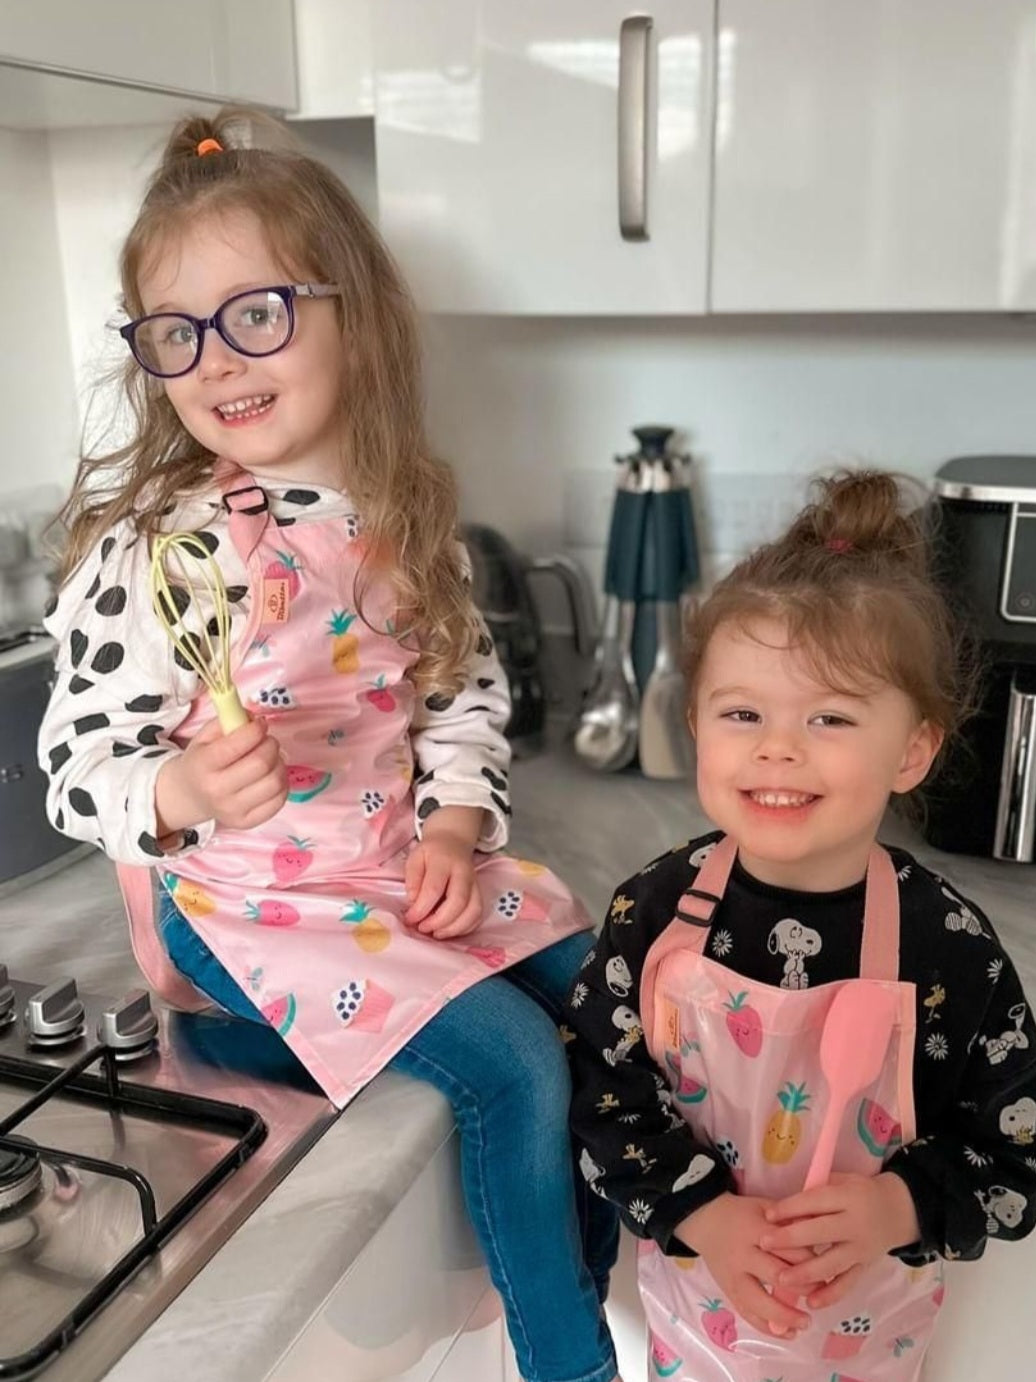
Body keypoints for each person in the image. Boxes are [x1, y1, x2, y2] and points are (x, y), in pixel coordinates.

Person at [39, 108, 620, 1382]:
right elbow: (78, 769)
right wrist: (180, 786)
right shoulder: (151, 552)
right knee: (516, 1065)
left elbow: (461, 697)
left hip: (385, 879)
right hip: (254, 905)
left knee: (606, 993)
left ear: (352, 310)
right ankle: (572, 1363)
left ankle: (591, 1274)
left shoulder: (406, 516)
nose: (216, 358)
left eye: (258, 313)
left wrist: (459, 828)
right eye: (175, 332)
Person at [564, 470, 1036, 1381]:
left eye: (830, 716)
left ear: (913, 749)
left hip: (867, 1337)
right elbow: (599, 1090)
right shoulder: (652, 911)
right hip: (695, 1325)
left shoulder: (947, 945)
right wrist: (704, 1214)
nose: (777, 747)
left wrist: (901, 1208)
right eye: (742, 713)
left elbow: (1022, 1151)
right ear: (696, 725)